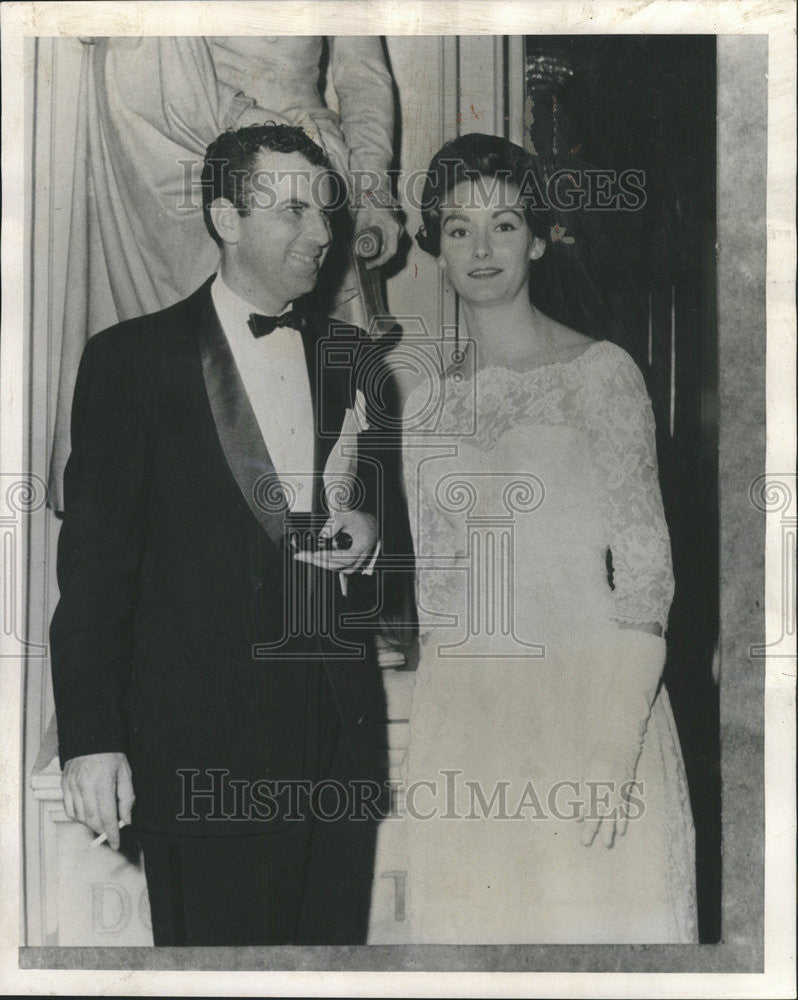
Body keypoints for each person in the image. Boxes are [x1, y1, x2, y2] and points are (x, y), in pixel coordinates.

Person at [50, 123, 393, 946]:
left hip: (336, 755)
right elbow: (95, 573)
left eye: (325, 210)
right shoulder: (130, 361)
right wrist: (93, 741)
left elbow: (382, 542)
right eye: (294, 210)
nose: (321, 232)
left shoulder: (355, 358)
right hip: (204, 764)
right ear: (226, 219)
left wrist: (372, 533)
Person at [399, 133, 697, 943]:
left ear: (537, 238)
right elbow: (434, 590)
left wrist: (612, 747)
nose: (482, 247)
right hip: (468, 727)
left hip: (588, 711)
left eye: (503, 224)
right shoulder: (420, 405)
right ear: (436, 247)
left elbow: (646, 579)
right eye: (458, 228)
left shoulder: (603, 374)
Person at [48, 35, 401, 511]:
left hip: (307, 169)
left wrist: (372, 192)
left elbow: (363, 79)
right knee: (177, 424)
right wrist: (260, 138)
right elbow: (137, 59)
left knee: (332, 455)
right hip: (176, 159)